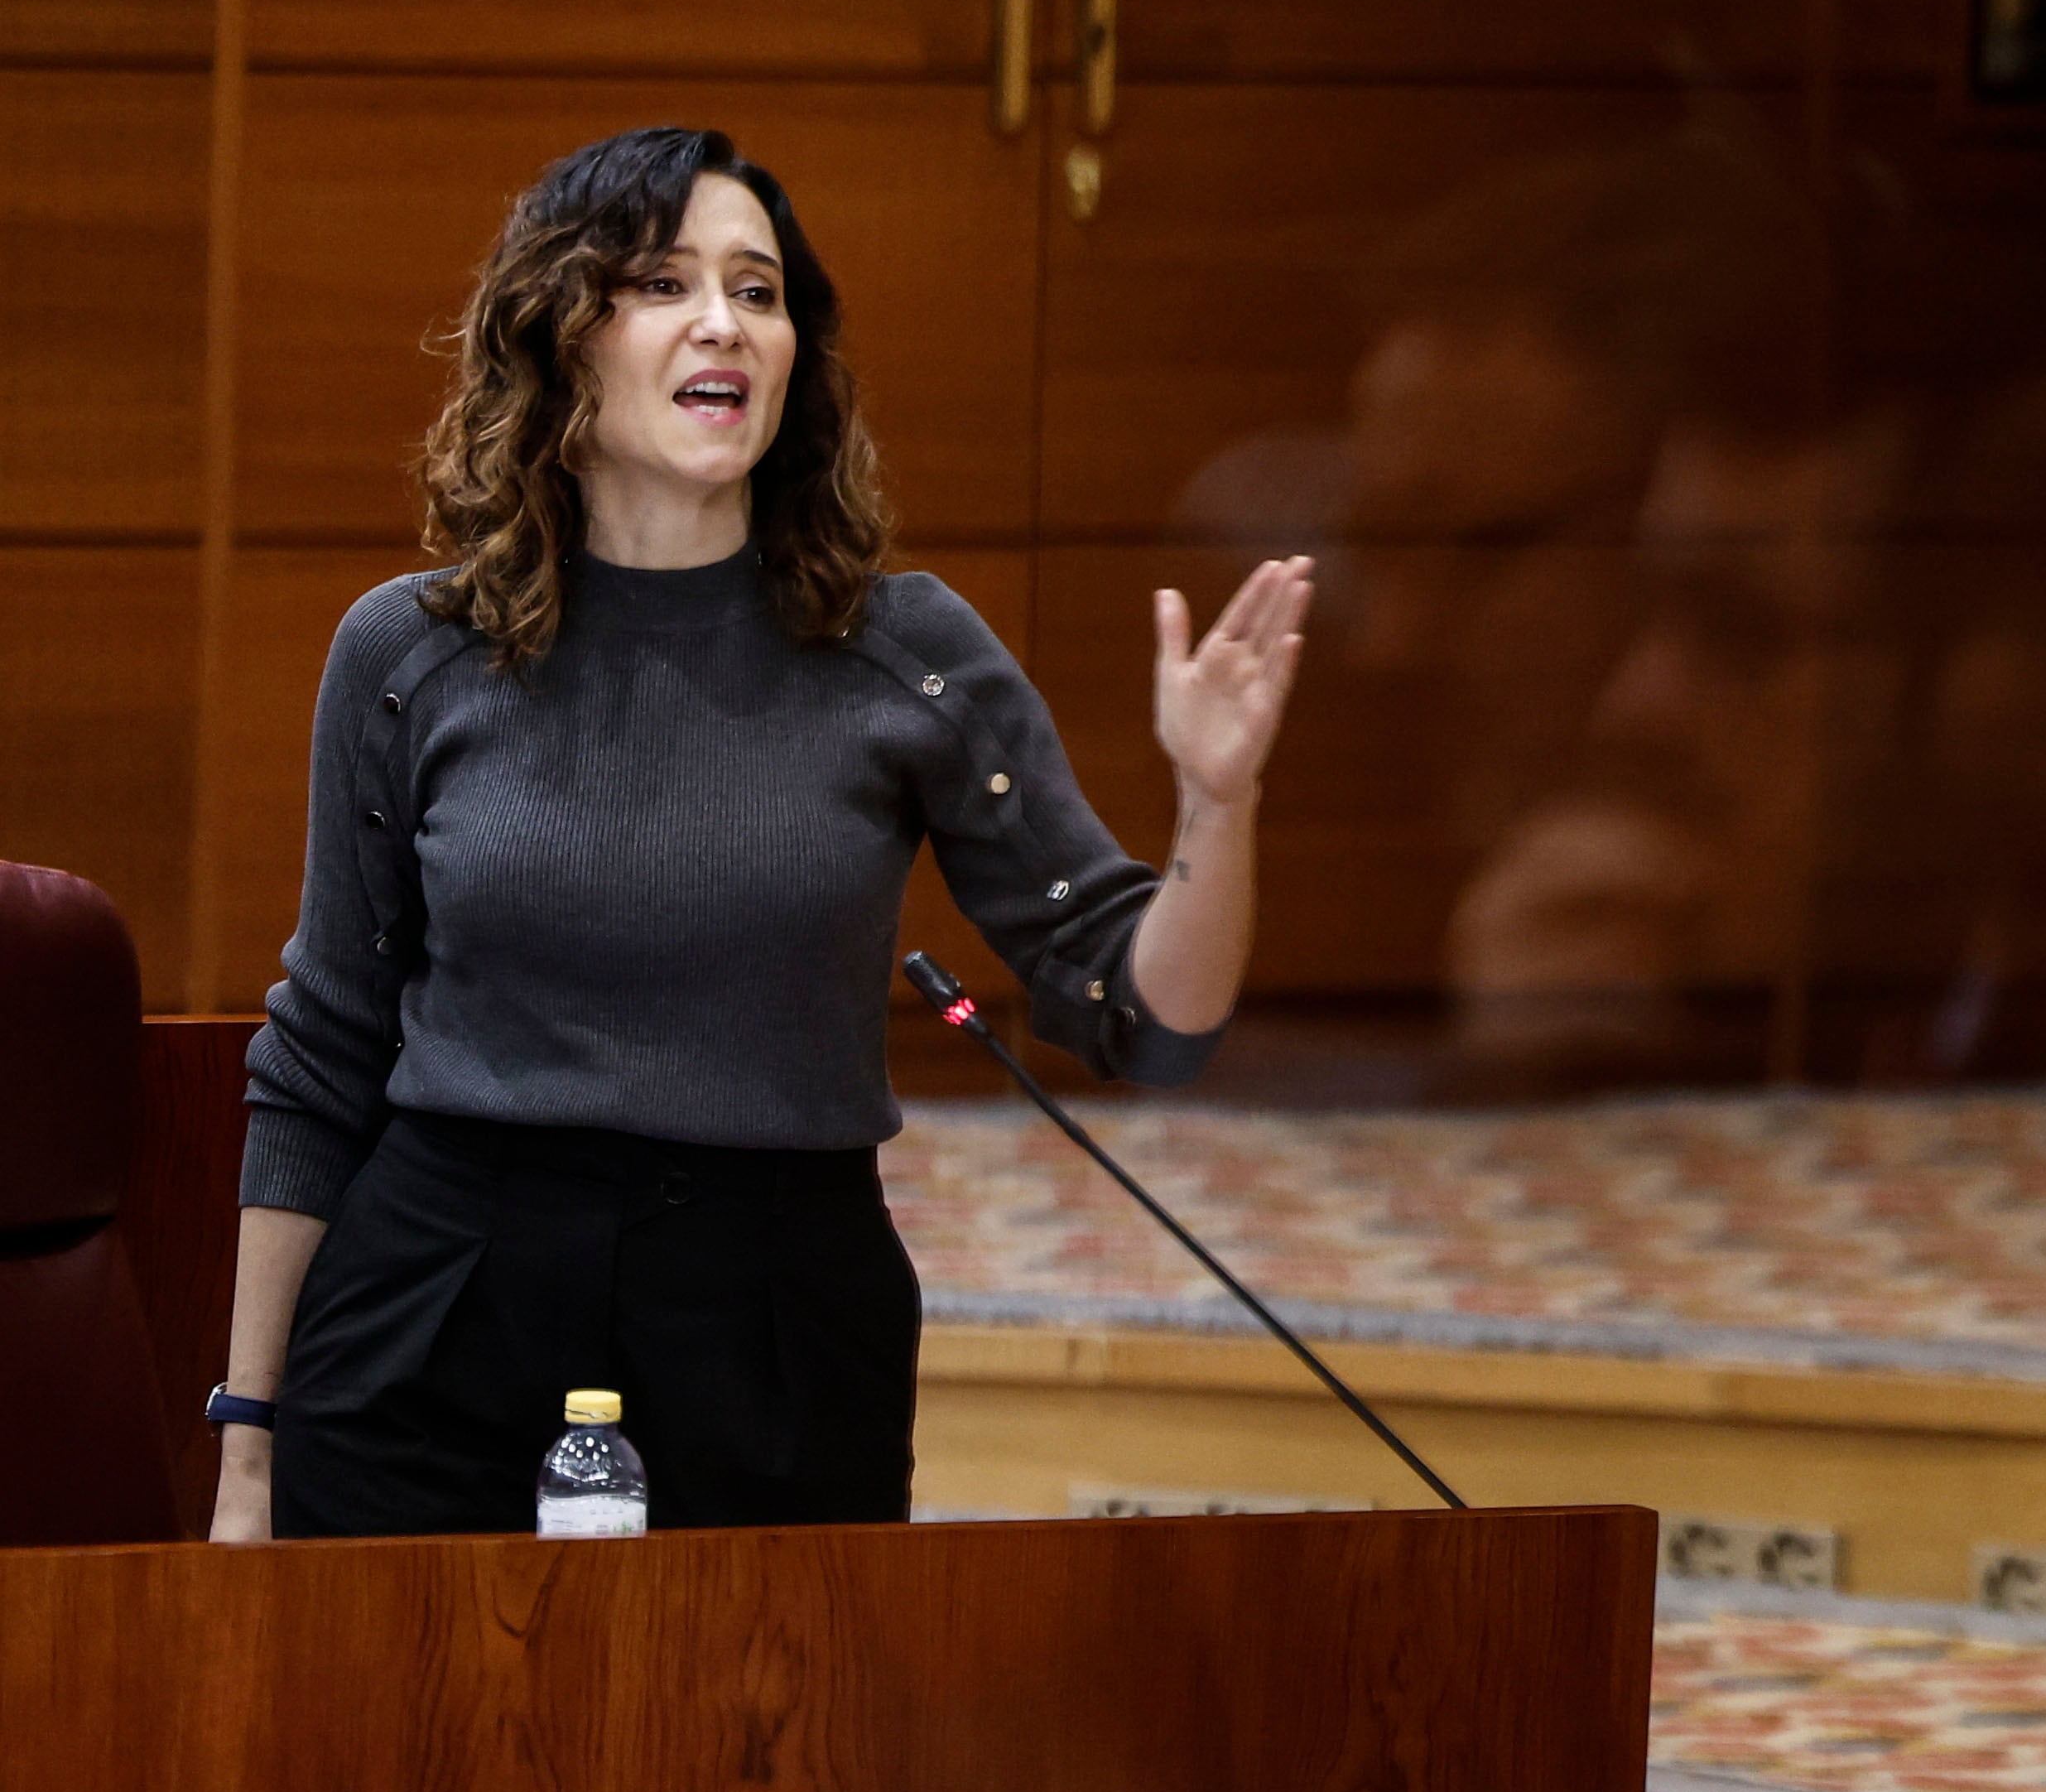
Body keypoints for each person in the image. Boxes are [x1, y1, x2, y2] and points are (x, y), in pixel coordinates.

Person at [207, 127, 1311, 1539]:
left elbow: (1145, 1018)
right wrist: (250, 1441)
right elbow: (323, 1060)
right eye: (664, 282)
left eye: (760, 289)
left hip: (777, 1331)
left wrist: (1219, 800)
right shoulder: (409, 655)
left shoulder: (904, 652)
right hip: (443, 1311)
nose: (725, 320)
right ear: (562, 335)